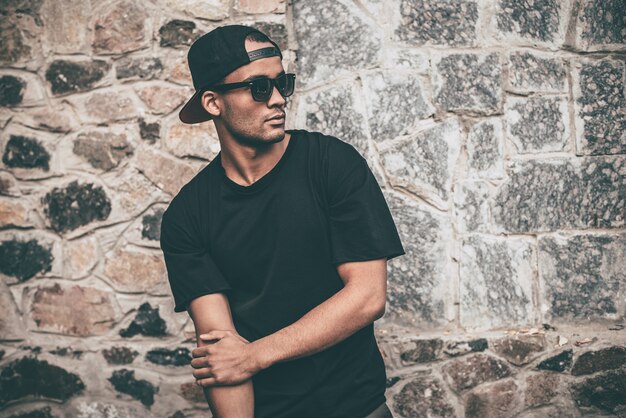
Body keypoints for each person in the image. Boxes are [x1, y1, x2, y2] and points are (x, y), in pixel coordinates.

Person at [159, 24, 405, 418]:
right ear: (212, 102)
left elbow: (367, 296)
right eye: (258, 88)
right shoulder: (187, 217)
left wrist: (254, 355)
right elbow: (222, 351)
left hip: (358, 409)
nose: (277, 100)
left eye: (282, 84)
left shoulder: (331, 165)